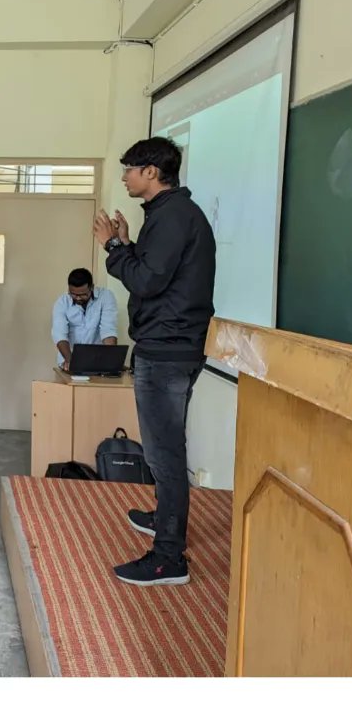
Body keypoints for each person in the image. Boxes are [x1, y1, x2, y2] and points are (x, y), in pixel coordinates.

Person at [94, 136, 216, 588]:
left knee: (165, 454)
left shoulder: (173, 217)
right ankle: (162, 517)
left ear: (150, 172)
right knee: (164, 447)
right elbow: (157, 272)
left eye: (129, 168)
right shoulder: (170, 215)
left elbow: (146, 281)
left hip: (167, 349)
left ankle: (168, 558)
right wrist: (127, 242)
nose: (124, 176)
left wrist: (113, 247)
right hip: (170, 343)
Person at [51, 268, 119, 369]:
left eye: (83, 294)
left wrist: (109, 362)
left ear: (92, 287)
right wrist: (71, 362)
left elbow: (108, 330)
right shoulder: (62, 302)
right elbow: (60, 335)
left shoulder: (106, 297)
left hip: (98, 361)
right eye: (73, 294)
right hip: (68, 361)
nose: (78, 298)